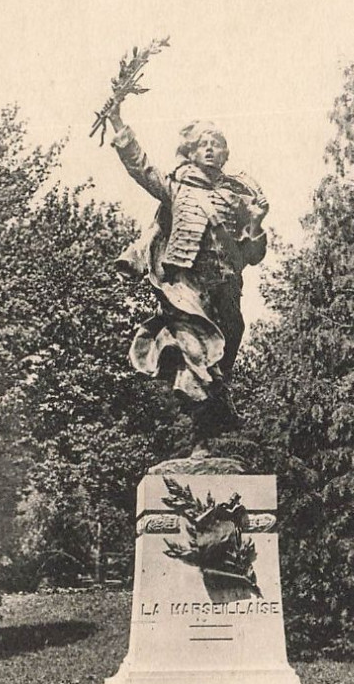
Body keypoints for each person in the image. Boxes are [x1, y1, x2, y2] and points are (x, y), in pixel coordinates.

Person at [107, 102, 268, 451]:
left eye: (216, 144)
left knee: (224, 351)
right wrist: (119, 124)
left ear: (224, 153)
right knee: (197, 354)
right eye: (202, 144)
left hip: (225, 287)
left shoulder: (238, 197)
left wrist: (255, 223)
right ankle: (206, 431)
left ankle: (209, 426)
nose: (210, 149)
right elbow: (141, 167)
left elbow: (254, 256)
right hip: (185, 287)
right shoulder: (177, 187)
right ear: (191, 152)